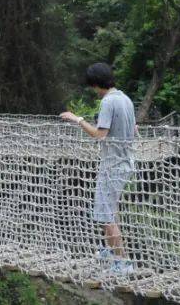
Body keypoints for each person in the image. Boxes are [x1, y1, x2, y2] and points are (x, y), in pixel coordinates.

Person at [60, 62, 136, 277]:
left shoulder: (108, 102)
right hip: (124, 162)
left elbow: (99, 134)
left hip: (113, 165)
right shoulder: (125, 99)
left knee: (106, 214)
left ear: (95, 84)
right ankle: (110, 251)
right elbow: (133, 128)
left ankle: (122, 261)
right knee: (108, 210)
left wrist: (78, 119)